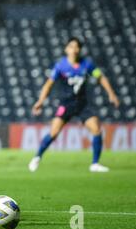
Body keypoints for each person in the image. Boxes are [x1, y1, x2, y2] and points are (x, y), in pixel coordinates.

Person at [28, 37, 120, 172]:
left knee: (96, 130)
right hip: (66, 104)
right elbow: (48, 84)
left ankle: (95, 164)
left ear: (79, 49)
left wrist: (111, 94)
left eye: (77, 47)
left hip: (82, 104)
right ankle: (37, 157)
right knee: (53, 133)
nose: (74, 50)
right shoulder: (61, 66)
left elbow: (100, 77)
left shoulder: (87, 65)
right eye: (71, 46)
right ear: (66, 49)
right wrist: (40, 101)